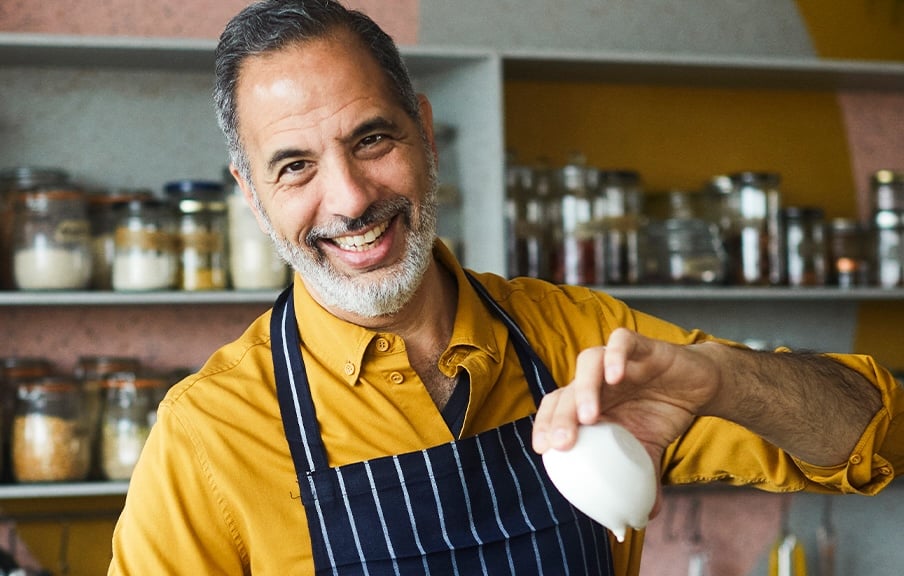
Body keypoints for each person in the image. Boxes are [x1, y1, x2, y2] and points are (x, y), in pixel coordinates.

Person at [108, 1, 903, 574]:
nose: (349, 200)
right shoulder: (208, 434)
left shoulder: (579, 339)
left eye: (372, 138)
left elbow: (878, 440)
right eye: (296, 166)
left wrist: (723, 377)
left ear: (423, 130)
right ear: (251, 195)